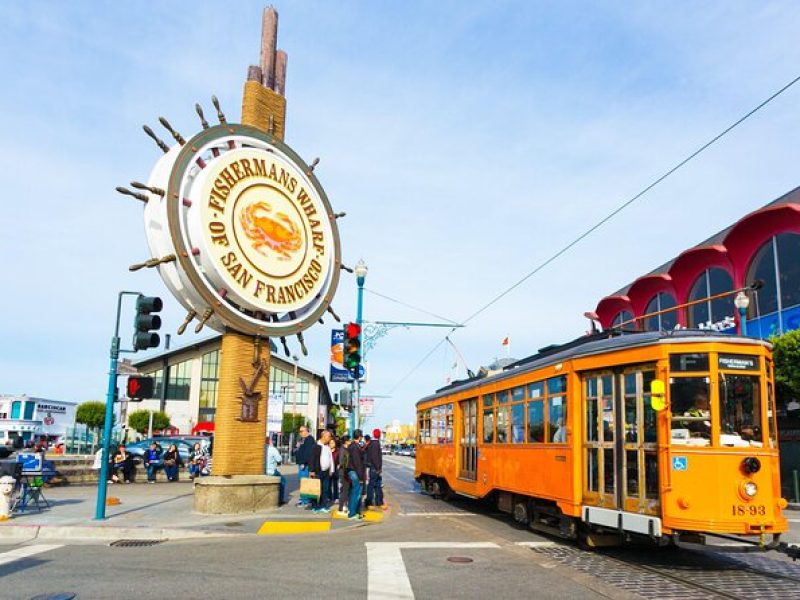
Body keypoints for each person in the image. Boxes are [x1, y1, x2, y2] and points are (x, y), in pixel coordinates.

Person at [309, 430, 334, 513]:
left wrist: (331, 469)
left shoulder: (327, 447)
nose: (330, 438)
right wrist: (312, 470)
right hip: (317, 471)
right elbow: (312, 459)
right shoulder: (316, 446)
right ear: (324, 436)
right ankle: (315, 506)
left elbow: (331, 459)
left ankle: (323, 505)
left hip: (326, 471)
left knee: (325, 489)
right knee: (316, 490)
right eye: (329, 436)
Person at [293, 426, 315, 507]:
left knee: (304, 482)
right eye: (299, 431)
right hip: (302, 464)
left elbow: (308, 453)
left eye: (302, 431)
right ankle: (304, 499)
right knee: (302, 481)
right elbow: (296, 450)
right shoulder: (302, 440)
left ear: (306, 431)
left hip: (304, 465)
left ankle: (305, 501)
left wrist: (303, 463)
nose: (300, 433)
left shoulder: (309, 439)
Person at [347, 429, 367, 520]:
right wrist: (361, 477)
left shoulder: (353, 446)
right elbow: (357, 462)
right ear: (359, 436)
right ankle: (352, 513)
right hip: (355, 472)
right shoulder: (355, 447)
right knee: (356, 493)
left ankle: (354, 511)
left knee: (354, 492)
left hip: (353, 471)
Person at [365, 428, 385, 510]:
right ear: (379, 435)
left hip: (373, 468)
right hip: (374, 468)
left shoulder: (372, 443)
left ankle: (377, 502)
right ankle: (370, 502)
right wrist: (378, 468)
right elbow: (375, 457)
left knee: (377, 485)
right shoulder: (376, 444)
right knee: (373, 485)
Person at [265, 436, 286, 504]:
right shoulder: (272, 449)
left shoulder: (261, 449)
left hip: (263, 472)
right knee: (283, 481)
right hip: (271, 471)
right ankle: (280, 500)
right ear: (269, 441)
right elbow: (279, 459)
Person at [337, 435, 352, 516]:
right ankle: (341, 508)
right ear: (346, 441)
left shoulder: (345, 449)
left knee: (345, 490)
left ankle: (344, 506)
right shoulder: (343, 450)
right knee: (344, 491)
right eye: (349, 440)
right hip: (344, 473)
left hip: (345, 472)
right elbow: (342, 462)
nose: (350, 441)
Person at [328, 436, 340, 503]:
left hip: (335, 470)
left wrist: (339, 465)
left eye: (332, 443)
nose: (331, 444)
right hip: (328, 470)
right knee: (328, 484)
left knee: (335, 484)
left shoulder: (337, 451)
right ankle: (329, 497)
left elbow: (339, 460)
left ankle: (336, 497)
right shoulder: (327, 450)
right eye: (330, 443)